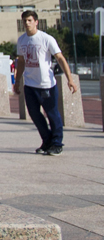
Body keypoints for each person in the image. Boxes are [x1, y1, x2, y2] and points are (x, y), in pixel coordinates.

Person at [14, 10, 78, 156]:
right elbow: (22, 61)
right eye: (24, 21)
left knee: (52, 113)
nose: (27, 23)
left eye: (30, 20)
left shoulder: (46, 38)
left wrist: (70, 79)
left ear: (36, 22)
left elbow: (60, 58)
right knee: (35, 114)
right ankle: (47, 140)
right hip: (30, 84)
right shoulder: (22, 40)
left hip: (46, 84)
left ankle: (57, 143)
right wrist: (17, 81)